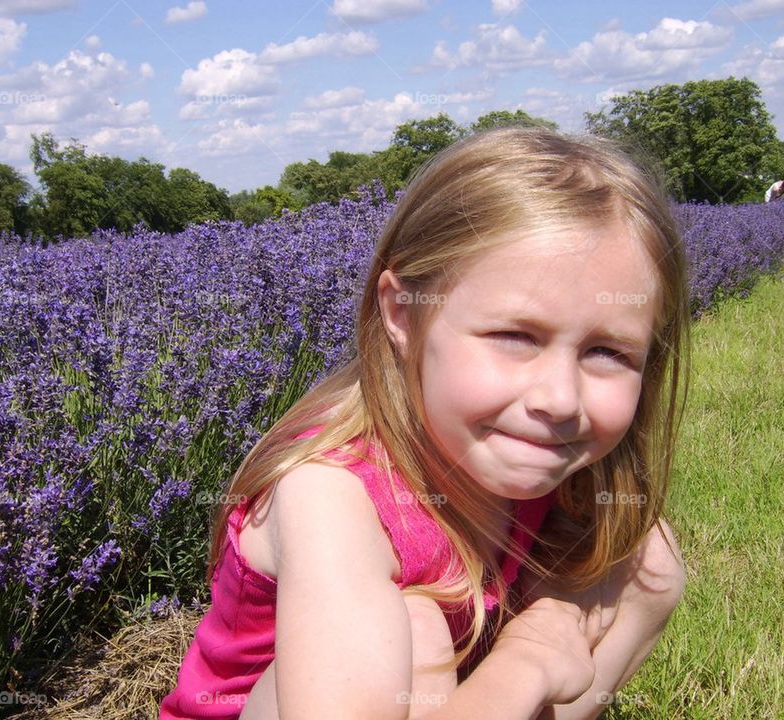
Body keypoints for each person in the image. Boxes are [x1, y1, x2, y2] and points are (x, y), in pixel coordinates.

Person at [158, 127, 690, 720]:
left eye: (608, 352)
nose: (560, 399)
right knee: (418, 629)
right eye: (515, 336)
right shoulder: (328, 493)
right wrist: (528, 661)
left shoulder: (540, 471)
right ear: (403, 315)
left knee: (648, 561)